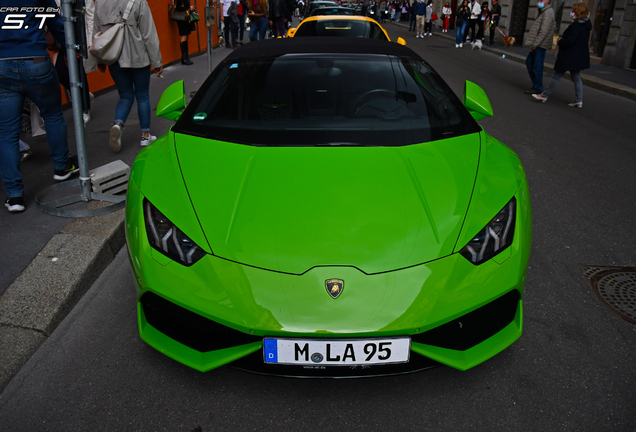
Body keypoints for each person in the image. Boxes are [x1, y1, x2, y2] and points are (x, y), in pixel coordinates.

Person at [0, 0, 80, 212]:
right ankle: (62, 167)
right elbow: (58, 25)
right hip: (36, 61)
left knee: (7, 132)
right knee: (53, 114)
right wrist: (72, 51)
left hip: (2, 64)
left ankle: (15, 196)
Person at [94, 0, 163, 152]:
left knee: (125, 95)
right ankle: (145, 136)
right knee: (142, 95)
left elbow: (96, 33)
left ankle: (118, 124)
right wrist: (156, 61)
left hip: (114, 58)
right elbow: (148, 34)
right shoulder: (138, 1)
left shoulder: (100, 2)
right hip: (138, 57)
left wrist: (99, 60)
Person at [532, 2, 591, 107]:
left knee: (557, 76)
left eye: (574, 11)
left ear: (578, 13)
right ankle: (579, 99)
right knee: (576, 77)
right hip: (578, 56)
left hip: (569, 55)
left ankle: (544, 95)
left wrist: (560, 41)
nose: (572, 13)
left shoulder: (577, 26)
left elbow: (570, 41)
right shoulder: (585, 25)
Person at [524, 0, 555, 94]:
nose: (539, 2)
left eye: (542, 0)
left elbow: (543, 31)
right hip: (538, 44)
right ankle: (537, 84)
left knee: (536, 65)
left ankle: (537, 87)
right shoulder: (544, 12)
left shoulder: (548, 12)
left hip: (540, 44)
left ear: (547, 1)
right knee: (530, 62)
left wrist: (534, 44)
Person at [174, 0, 195, 65]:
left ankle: (186, 56)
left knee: (186, 36)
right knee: (184, 36)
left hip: (185, 18)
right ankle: (184, 57)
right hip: (182, 18)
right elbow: (178, 8)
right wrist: (188, 8)